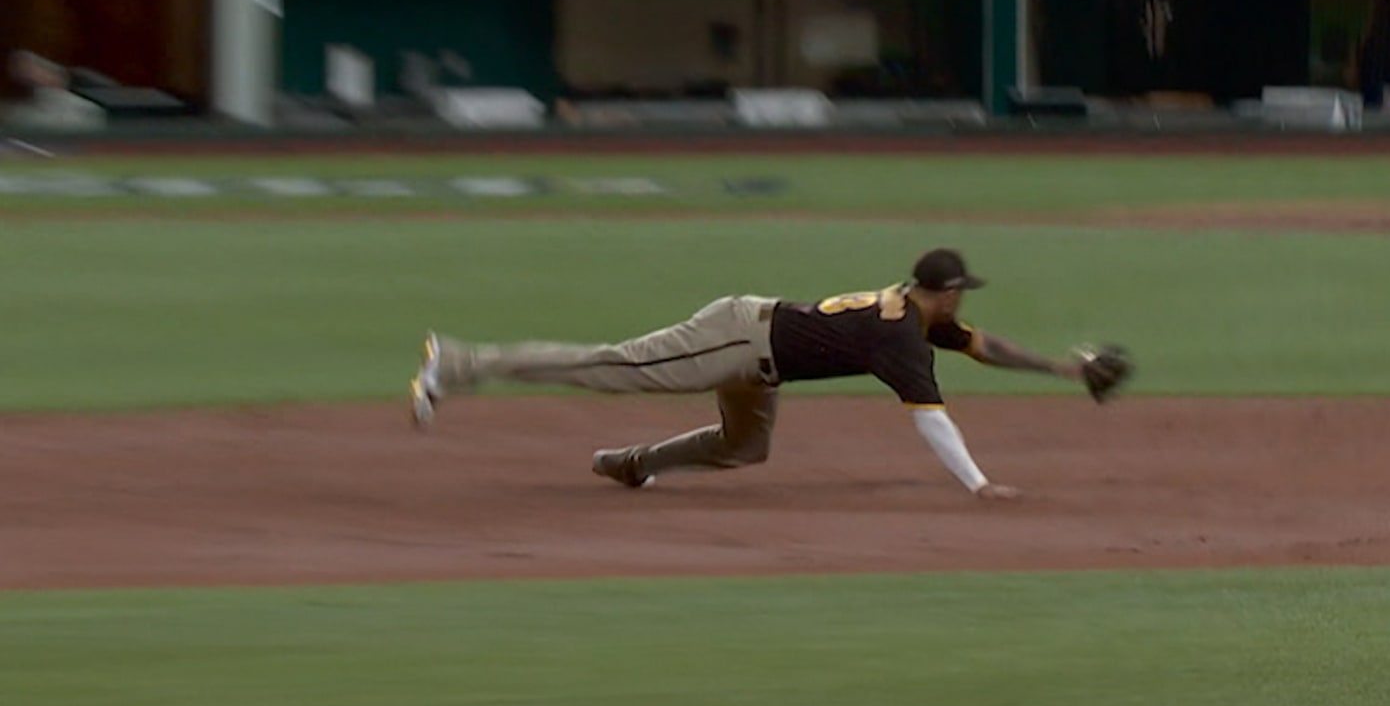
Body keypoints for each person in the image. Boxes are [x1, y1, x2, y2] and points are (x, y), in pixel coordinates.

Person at [409, 249, 1111, 500]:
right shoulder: (898, 335)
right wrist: (978, 484)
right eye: (962, 291)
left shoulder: (918, 315)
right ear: (946, 291)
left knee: (745, 446)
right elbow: (931, 416)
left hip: (760, 356)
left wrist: (1063, 367)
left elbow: (986, 348)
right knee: (610, 366)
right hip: (736, 337)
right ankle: (458, 363)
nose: (965, 302)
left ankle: (630, 466)